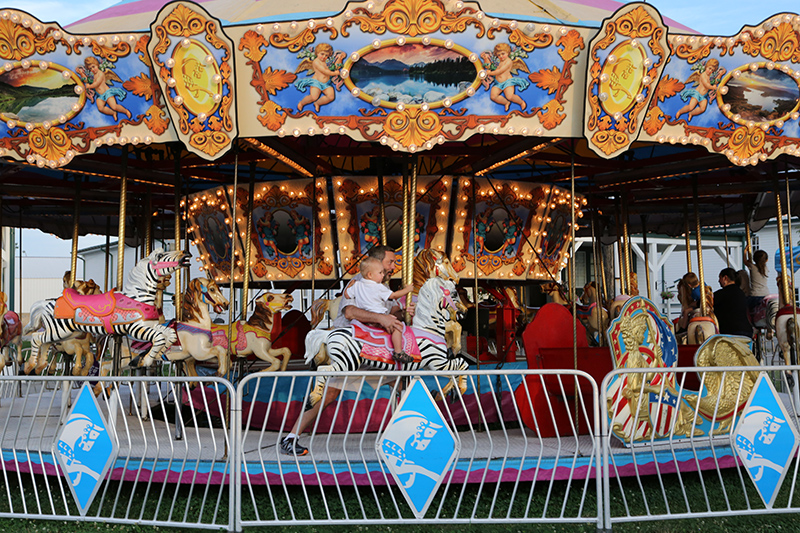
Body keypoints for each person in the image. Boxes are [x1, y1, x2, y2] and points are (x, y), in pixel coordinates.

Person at [280, 245, 408, 456]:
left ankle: (406, 436)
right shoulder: (359, 283)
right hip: (352, 342)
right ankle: (291, 437)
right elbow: (349, 311)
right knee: (329, 394)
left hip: (374, 346)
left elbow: (393, 311)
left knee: (402, 382)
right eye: (390, 262)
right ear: (376, 262)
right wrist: (381, 318)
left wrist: (403, 311)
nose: (394, 266)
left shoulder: (383, 286)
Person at [348, 256, 413, 364]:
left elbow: (347, 295)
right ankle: (398, 352)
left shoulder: (357, 285)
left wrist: (349, 287)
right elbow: (394, 295)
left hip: (363, 321)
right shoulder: (378, 286)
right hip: (378, 316)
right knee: (398, 326)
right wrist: (407, 290)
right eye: (380, 272)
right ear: (370, 275)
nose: (383, 275)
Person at [294, 43, 341, 113]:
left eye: (326, 55)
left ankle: (318, 103)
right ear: (317, 53)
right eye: (322, 54)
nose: (324, 57)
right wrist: (335, 73)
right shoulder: (316, 62)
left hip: (326, 83)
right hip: (316, 83)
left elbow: (335, 67)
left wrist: (340, 58)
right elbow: (325, 71)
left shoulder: (327, 62)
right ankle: (302, 103)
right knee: (314, 97)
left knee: (331, 97)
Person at [714, 267, 752, 337]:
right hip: (746, 331)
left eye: (720, 278)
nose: (718, 281)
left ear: (725, 278)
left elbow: (706, 302)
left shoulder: (722, 294)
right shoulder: (741, 293)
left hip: (731, 331)